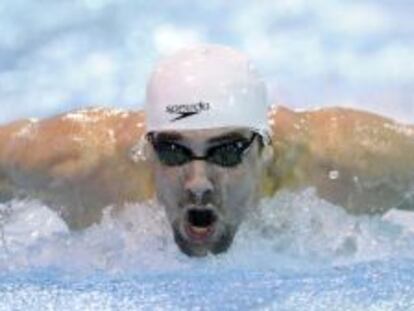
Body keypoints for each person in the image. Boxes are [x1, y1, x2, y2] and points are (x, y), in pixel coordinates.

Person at [0, 44, 413, 257]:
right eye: (175, 152)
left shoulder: (341, 160)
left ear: (264, 149)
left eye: (227, 151)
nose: (198, 183)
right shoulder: (81, 163)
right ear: (148, 150)